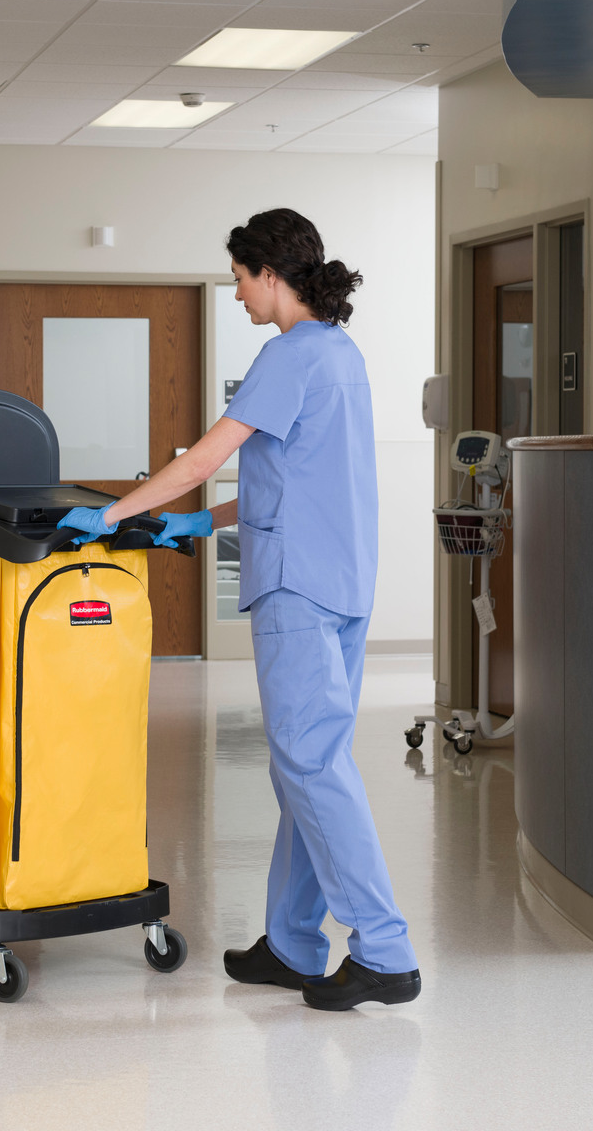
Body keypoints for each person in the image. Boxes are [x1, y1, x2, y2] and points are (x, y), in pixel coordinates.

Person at [58, 208, 419, 1011]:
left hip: (296, 589)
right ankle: (293, 943)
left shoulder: (290, 354)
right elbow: (288, 474)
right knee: (303, 763)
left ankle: (385, 951)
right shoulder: (341, 354)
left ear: (270, 271)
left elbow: (209, 455)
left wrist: (115, 514)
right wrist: (203, 522)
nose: (237, 296)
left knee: (311, 764)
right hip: (342, 584)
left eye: (239, 280)